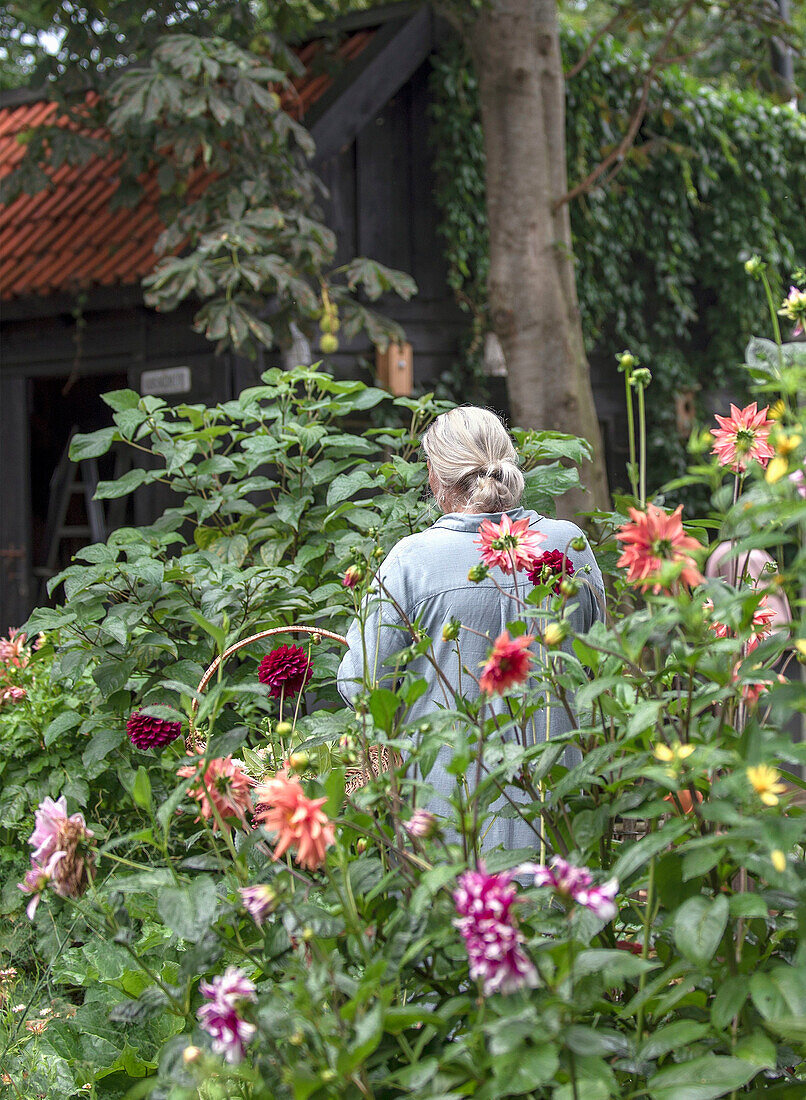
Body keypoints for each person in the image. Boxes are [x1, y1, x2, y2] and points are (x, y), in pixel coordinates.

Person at [337, 406, 605, 849]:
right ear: (509, 463)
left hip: (450, 830)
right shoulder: (567, 544)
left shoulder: (411, 561)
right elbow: (598, 668)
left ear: (433, 476)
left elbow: (363, 686)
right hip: (559, 824)